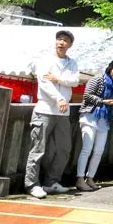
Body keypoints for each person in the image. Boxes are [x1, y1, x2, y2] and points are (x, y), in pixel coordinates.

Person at [25, 29, 79, 199]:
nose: (61, 43)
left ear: (70, 45)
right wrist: (58, 98)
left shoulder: (72, 62)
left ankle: (51, 182)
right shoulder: (45, 60)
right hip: (45, 109)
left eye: (65, 40)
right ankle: (32, 184)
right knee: (38, 148)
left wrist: (58, 79)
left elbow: (75, 81)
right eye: (59, 39)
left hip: (63, 112)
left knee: (64, 148)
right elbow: (44, 82)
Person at [76, 58, 113, 192]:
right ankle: (80, 179)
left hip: (105, 119)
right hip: (90, 115)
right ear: (110, 67)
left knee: (99, 150)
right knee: (87, 148)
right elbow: (87, 95)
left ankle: (90, 178)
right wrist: (103, 101)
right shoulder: (98, 79)